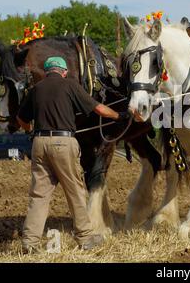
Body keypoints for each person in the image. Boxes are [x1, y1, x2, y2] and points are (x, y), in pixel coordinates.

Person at [17, 57, 130, 253]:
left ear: (47, 71)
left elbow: (21, 118)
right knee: (75, 191)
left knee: (39, 195)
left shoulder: (37, 89)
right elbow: (98, 108)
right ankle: (85, 238)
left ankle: (30, 242)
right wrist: (119, 115)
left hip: (39, 143)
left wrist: (29, 130)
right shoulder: (70, 85)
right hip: (63, 142)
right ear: (63, 71)